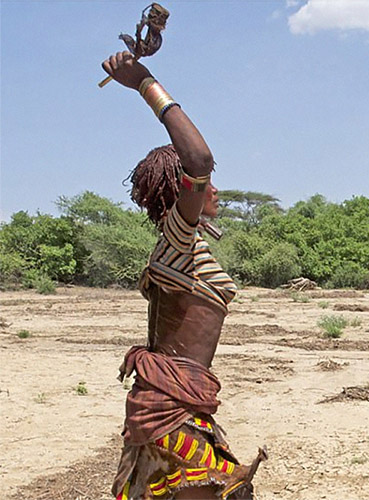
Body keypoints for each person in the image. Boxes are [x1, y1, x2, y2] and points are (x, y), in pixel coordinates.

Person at [102, 51, 265, 500]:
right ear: (181, 189)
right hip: (172, 405)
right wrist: (145, 83)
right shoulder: (177, 236)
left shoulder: (181, 248)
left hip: (176, 400)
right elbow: (200, 159)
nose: (213, 188)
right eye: (200, 185)